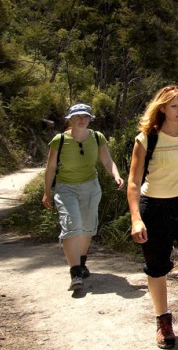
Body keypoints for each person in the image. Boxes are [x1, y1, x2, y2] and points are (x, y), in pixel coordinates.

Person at [127, 85, 178, 350]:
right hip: (155, 207)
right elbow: (133, 182)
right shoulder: (146, 139)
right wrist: (136, 218)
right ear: (161, 107)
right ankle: (163, 322)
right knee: (157, 266)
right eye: (174, 106)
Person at [42, 103, 125, 291]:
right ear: (70, 119)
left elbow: (107, 160)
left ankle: (81, 262)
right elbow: (51, 168)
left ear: (90, 119)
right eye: (77, 116)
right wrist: (47, 191)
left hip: (91, 187)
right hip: (65, 188)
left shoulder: (97, 137)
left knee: (87, 227)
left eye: (85, 116)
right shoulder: (59, 140)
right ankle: (75, 272)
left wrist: (116, 175)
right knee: (71, 225)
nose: (81, 120)